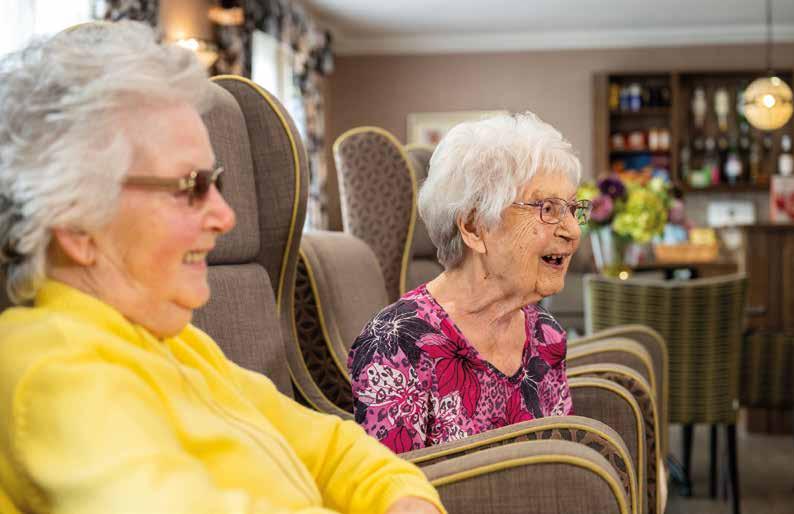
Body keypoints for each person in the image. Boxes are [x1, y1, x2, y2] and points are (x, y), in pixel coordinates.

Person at [0, 21, 443, 514]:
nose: (226, 216)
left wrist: (404, 498)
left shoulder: (176, 341)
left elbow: (332, 448)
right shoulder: (56, 373)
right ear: (77, 224)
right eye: (190, 187)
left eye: (216, 183)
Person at [348, 113, 591, 453]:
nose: (573, 231)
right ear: (475, 228)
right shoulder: (395, 345)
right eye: (548, 209)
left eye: (573, 209)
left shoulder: (545, 334)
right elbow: (392, 481)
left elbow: (558, 464)